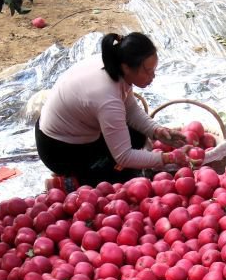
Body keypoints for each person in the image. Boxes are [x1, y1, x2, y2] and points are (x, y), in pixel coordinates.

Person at [35, 32, 186, 188]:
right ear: (127, 67)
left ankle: (86, 170)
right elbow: (124, 157)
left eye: (154, 69)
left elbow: (131, 110)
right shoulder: (107, 98)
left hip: (67, 130)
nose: (153, 76)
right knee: (124, 175)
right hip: (59, 149)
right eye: (148, 71)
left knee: (138, 136)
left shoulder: (114, 62)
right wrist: (168, 158)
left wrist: (156, 131)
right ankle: (69, 183)